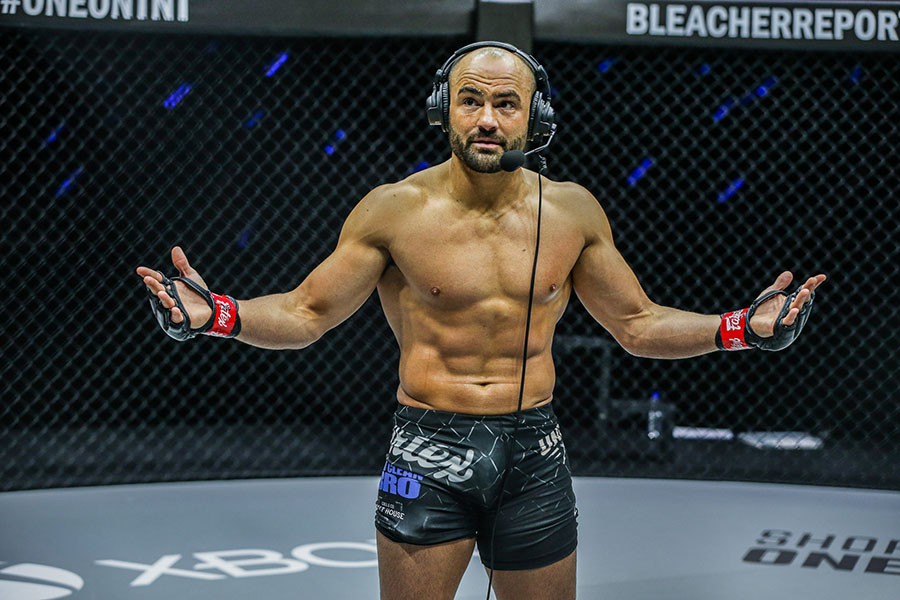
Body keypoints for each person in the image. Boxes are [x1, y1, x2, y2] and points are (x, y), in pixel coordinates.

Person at [136, 42, 826, 600]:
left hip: (535, 451)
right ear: (445, 109)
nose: (487, 119)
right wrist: (217, 314)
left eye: (505, 103)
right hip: (426, 449)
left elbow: (638, 325)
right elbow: (305, 312)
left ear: (535, 118)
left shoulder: (573, 212)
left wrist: (740, 327)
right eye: (471, 100)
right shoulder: (394, 211)